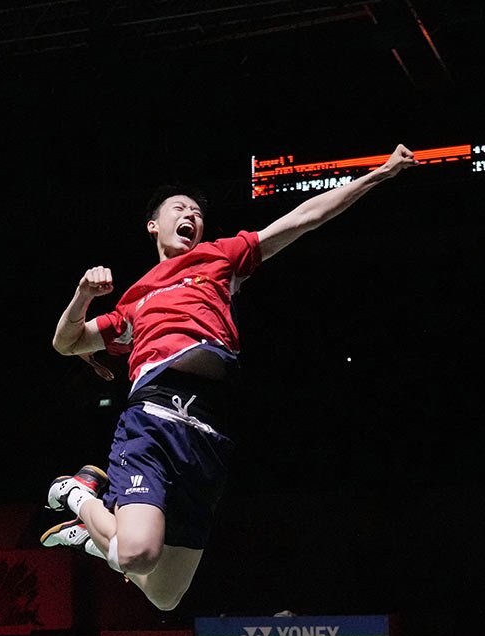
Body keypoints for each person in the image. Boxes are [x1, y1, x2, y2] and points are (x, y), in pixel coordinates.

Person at [41, 145, 417, 611]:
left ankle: (92, 539)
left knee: (164, 596)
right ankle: (77, 492)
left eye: (197, 212)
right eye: (179, 208)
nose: (191, 214)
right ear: (153, 225)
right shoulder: (133, 303)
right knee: (138, 553)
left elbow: (302, 219)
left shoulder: (222, 258)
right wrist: (82, 295)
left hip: (208, 438)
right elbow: (67, 341)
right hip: (154, 419)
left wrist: (376, 176)